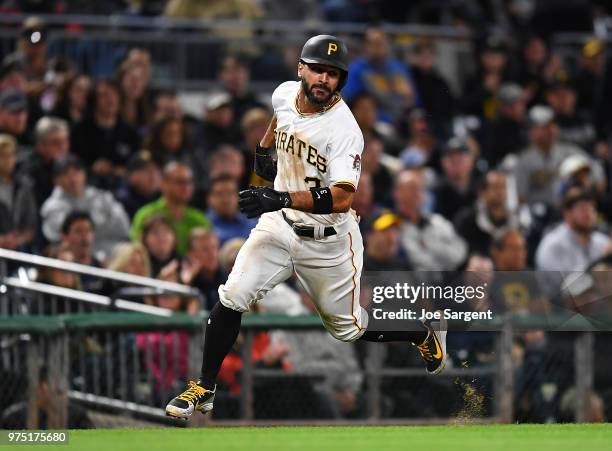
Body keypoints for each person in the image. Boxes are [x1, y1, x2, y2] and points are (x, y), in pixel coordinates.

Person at [165, 35, 447, 420]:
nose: (324, 79)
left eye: (333, 74)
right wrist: (264, 150)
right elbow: (278, 118)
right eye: (317, 69)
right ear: (301, 68)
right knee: (233, 294)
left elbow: (345, 196)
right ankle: (204, 386)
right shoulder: (284, 93)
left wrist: (279, 197)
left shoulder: (345, 129)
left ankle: (418, 332)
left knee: (346, 329)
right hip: (280, 227)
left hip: (329, 241)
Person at [40, 154, 131, 261]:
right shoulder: (51, 206)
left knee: (132, 253)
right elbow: (62, 236)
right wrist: (102, 222)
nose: (73, 178)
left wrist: (87, 227)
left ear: (84, 174)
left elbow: (124, 226)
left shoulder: (101, 196)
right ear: (56, 180)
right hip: (73, 258)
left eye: (77, 172)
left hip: (109, 252)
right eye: (66, 174)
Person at [130, 161, 210, 255]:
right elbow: (136, 251)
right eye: (180, 182)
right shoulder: (146, 214)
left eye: (189, 182)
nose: (186, 187)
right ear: (163, 184)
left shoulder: (200, 220)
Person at [394, 168, 467, 271]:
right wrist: (443, 260)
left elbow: (459, 253)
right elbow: (415, 260)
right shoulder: (392, 225)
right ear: (397, 193)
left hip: (447, 280)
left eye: (420, 188)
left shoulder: (437, 221)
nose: (417, 192)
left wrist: (431, 245)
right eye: (411, 188)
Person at [343, 28, 416, 124]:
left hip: (403, 120)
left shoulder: (399, 68)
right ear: (366, 46)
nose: (378, 48)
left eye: (381, 43)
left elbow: (413, 99)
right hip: (374, 123)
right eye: (374, 43)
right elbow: (351, 102)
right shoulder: (356, 70)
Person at [454, 171, 519, 257]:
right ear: (482, 192)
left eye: (504, 187)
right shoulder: (466, 220)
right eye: (495, 188)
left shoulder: (516, 220)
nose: (501, 192)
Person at [18, 116, 70, 207]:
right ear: (40, 145)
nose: (63, 147)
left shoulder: (71, 165)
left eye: (65, 141)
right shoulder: (29, 171)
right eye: (56, 142)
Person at [0, 134, 37, 251]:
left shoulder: (24, 185)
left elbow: (31, 223)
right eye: (2, 156)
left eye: (11, 155)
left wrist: (17, 240)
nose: (7, 160)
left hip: (19, 247)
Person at [206, 173, 257, 245]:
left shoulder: (253, 226)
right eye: (220, 194)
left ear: (238, 196)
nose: (225, 199)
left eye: (230, 193)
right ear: (209, 198)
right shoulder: (203, 224)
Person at [60, 211, 104, 292]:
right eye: (78, 231)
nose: (84, 236)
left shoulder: (100, 265)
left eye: (88, 230)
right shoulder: (62, 268)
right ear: (65, 236)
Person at [114, 150, 162, 219]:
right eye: (147, 171)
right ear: (132, 176)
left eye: (155, 169)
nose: (153, 175)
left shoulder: (163, 197)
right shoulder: (122, 202)